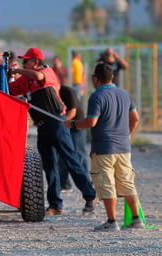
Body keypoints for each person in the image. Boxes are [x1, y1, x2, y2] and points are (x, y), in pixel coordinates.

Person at [9, 47, 96, 215]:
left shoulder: (46, 71)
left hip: (57, 123)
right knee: (50, 168)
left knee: (71, 161)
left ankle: (90, 196)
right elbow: (8, 89)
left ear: (36, 62)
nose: (23, 63)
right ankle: (55, 205)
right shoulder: (25, 81)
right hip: (42, 127)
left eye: (25, 61)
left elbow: (38, 77)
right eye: (22, 61)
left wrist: (16, 70)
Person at [64, 63, 143, 231]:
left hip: (104, 148)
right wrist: (127, 134)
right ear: (112, 77)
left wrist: (72, 124)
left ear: (95, 78)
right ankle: (137, 219)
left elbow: (91, 121)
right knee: (127, 182)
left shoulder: (97, 96)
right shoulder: (124, 94)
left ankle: (111, 221)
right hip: (124, 148)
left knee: (106, 184)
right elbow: (135, 118)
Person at [58, 83, 88, 192]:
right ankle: (64, 184)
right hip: (64, 125)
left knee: (80, 154)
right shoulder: (49, 92)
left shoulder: (67, 91)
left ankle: (86, 182)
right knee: (62, 155)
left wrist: (62, 122)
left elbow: (73, 111)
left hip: (76, 125)